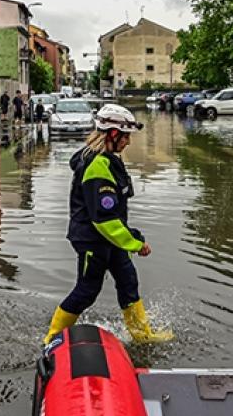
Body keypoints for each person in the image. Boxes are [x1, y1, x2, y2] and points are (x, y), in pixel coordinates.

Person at [42, 104, 172, 345]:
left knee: (128, 283)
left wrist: (128, 238)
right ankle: (51, 340)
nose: (129, 142)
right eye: (126, 136)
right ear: (113, 134)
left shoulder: (108, 159)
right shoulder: (97, 165)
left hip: (111, 239)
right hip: (93, 239)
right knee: (87, 291)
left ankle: (143, 336)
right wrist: (135, 243)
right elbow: (104, 219)